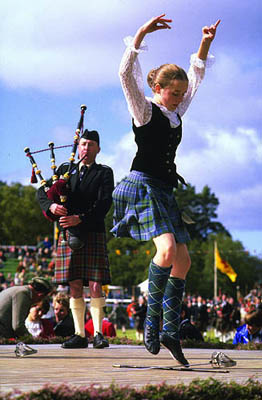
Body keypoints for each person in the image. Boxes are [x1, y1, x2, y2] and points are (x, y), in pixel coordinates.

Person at [112, 14, 220, 366]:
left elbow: (197, 80)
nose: (178, 99)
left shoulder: (176, 111)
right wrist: (141, 34)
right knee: (169, 248)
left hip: (165, 188)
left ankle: (171, 329)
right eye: (173, 93)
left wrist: (204, 43)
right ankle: (152, 317)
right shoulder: (145, 110)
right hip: (142, 186)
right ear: (158, 89)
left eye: (180, 94)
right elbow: (125, 75)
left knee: (184, 261)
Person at [37, 129, 114, 349]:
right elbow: (42, 193)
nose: (86, 148)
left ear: (98, 149)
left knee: (96, 284)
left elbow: (104, 203)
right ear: (77, 147)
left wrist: (80, 219)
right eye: (83, 144)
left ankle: (98, 333)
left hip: (92, 229)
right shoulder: (64, 170)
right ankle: (80, 334)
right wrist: (51, 206)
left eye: (90, 145)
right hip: (68, 234)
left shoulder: (104, 173)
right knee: (74, 284)